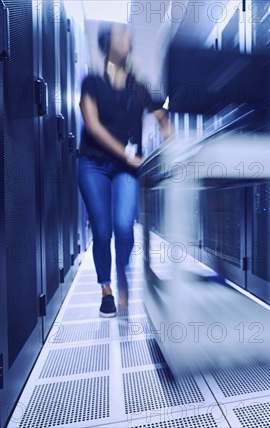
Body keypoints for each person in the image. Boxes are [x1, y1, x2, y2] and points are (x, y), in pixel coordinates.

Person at [78, 23, 171, 317]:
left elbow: (163, 119)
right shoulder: (91, 82)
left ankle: (123, 279)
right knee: (103, 231)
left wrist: (173, 146)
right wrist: (125, 154)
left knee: (123, 227)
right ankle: (106, 288)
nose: (127, 37)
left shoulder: (138, 86)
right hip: (92, 164)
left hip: (125, 169)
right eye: (121, 34)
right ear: (107, 44)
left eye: (129, 35)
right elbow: (91, 124)